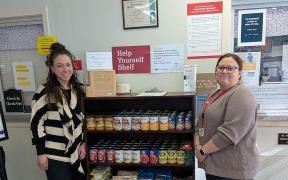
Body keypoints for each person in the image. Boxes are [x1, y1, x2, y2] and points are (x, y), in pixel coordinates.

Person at [194, 53, 259, 180]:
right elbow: (200, 124)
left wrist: (202, 152)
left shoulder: (242, 95)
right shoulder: (214, 93)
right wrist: (197, 147)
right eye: (221, 67)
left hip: (233, 170)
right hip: (213, 165)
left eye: (230, 68)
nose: (224, 71)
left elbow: (228, 134)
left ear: (239, 73)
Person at [30, 43, 86, 180]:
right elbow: (36, 124)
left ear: (73, 66)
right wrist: (40, 153)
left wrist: (84, 143)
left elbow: (84, 120)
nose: (65, 69)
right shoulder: (44, 92)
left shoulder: (79, 90)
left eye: (68, 65)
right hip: (54, 156)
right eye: (59, 66)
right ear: (52, 68)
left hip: (78, 153)